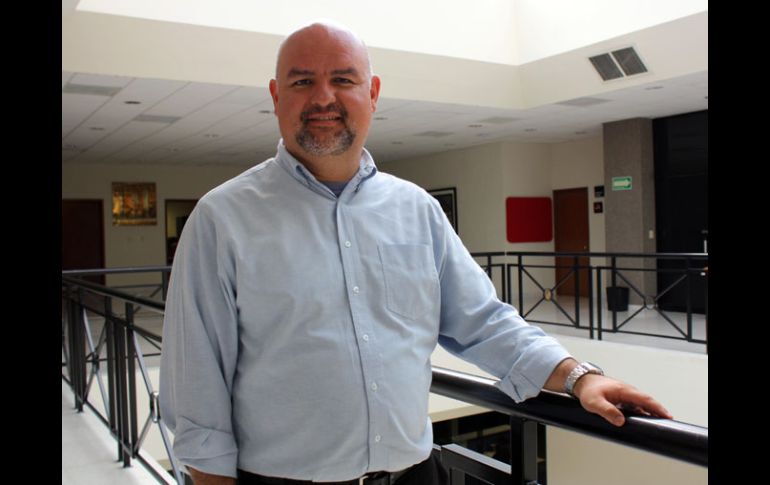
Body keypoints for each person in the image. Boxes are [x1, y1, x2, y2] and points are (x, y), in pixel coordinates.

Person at [159, 21, 672, 485]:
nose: (323, 98)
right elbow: (198, 391)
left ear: (372, 93)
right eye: (301, 82)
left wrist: (581, 377)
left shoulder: (417, 210)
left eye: (343, 79)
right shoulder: (221, 220)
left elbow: (484, 322)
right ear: (275, 96)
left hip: (414, 477)